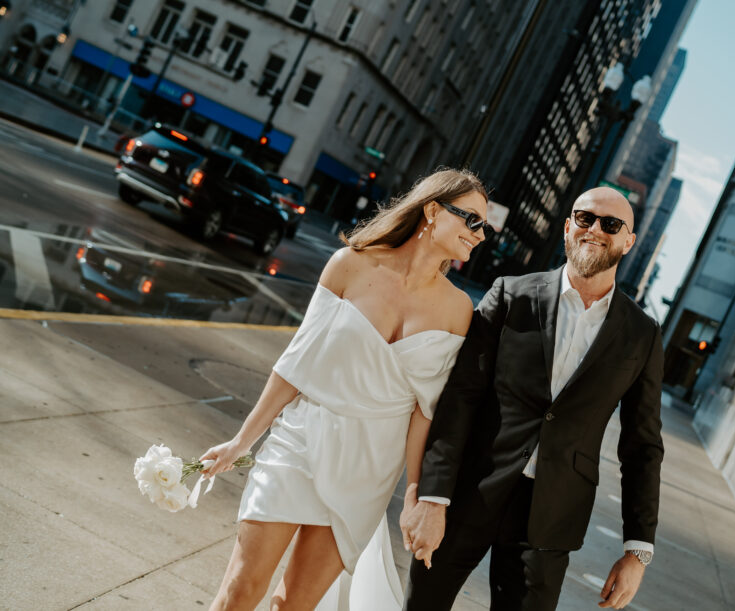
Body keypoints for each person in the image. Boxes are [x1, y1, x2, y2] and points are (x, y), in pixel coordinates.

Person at [199, 168, 491, 610]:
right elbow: (297, 363)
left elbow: (424, 412)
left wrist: (415, 493)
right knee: (239, 590)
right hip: (300, 441)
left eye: (483, 226)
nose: (480, 234)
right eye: (471, 220)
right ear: (432, 210)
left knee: (293, 604)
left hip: (369, 471)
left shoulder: (458, 309)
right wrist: (242, 441)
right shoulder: (351, 264)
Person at [401, 187, 665, 611]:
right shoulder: (511, 294)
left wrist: (637, 550)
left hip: (551, 518)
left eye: (611, 225)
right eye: (585, 218)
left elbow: (643, 446)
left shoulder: (642, 334)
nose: (595, 230)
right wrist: (432, 497)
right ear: (567, 226)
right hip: (470, 493)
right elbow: (460, 398)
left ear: (628, 241)